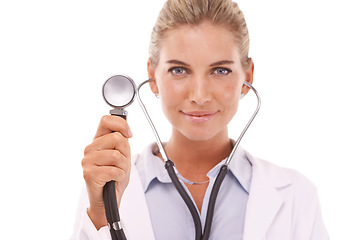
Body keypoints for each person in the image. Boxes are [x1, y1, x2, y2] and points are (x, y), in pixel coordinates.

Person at [71, 0, 329, 239]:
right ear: (152, 75)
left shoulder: (297, 195)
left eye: (220, 70)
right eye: (179, 70)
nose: (200, 95)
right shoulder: (108, 186)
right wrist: (103, 214)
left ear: (247, 77)